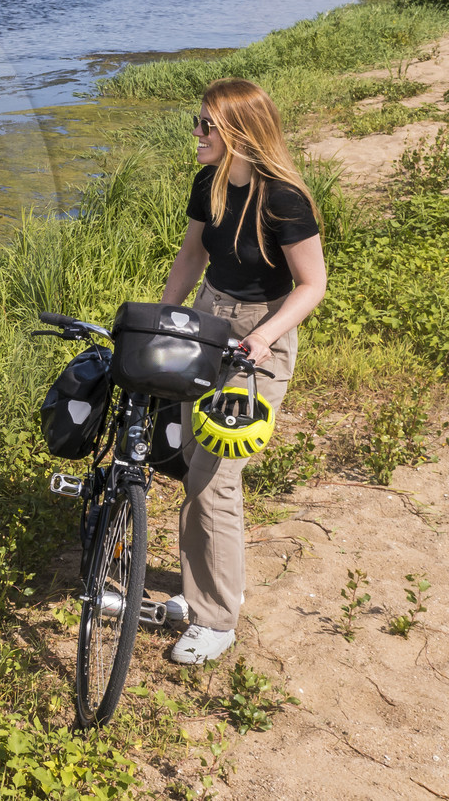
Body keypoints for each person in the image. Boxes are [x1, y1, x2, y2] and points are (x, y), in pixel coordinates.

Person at [158, 78, 327, 664]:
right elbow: (192, 255)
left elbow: (312, 285)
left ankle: (216, 620)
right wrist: (164, 319)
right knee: (190, 465)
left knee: (214, 481)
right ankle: (203, 588)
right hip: (209, 319)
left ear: (238, 131)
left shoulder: (284, 199)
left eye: (205, 125)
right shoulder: (209, 182)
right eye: (198, 122)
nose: (196, 135)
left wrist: (263, 336)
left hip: (261, 335)